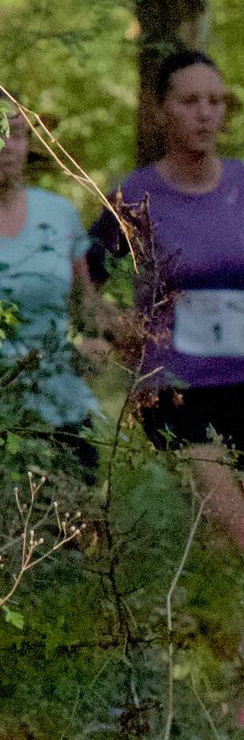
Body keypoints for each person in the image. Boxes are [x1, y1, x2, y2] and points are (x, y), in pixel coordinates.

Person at [86, 51, 244, 566]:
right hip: (177, 389)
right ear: (160, 112)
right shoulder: (134, 194)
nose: (206, 113)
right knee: (231, 536)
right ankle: (215, 622)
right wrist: (113, 326)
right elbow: (86, 284)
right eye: (190, 101)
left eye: (215, 102)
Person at [0, 95, 105, 479]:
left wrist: (98, 341)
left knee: (76, 515)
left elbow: (86, 303)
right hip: (4, 416)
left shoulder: (59, 214)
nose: (7, 146)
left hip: (62, 409)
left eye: (16, 134)